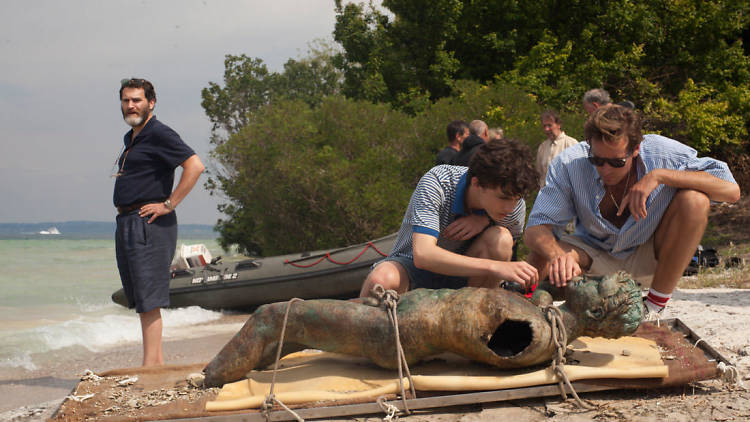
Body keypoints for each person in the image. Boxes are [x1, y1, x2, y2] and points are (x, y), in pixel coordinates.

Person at [523, 105, 740, 316]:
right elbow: (535, 229)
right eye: (597, 160)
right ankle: (523, 310)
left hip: (651, 252)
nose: (605, 170)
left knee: (695, 200)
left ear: (636, 149)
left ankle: (654, 307)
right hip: (593, 252)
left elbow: (731, 191)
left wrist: (659, 176)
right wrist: (559, 257)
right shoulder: (569, 163)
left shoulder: (662, 153)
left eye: (616, 162)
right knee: (542, 251)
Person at [360, 139, 539, 297]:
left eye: (516, 199)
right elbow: (423, 255)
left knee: (501, 239)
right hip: (413, 269)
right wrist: (495, 266)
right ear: (476, 183)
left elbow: (507, 250)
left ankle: (476, 322)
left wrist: (485, 219)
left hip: (465, 277)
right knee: (382, 279)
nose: (510, 208)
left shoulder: (514, 201)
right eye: (503, 198)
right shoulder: (438, 182)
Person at [113, 78, 205, 366]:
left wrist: (169, 204)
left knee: (150, 298)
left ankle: (150, 370)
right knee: (141, 298)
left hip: (148, 223)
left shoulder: (159, 133)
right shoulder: (133, 137)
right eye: (126, 100)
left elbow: (195, 165)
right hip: (128, 222)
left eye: (137, 100)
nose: (131, 105)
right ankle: (155, 365)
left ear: (151, 103)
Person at [536, 110, 578, 188]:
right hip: (547, 195)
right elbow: (539, 174)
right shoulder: (542, 147)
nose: (546, 129)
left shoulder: (571, 144)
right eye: (544, 126)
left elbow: (578, 173)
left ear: (559, 125)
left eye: (549, 125)